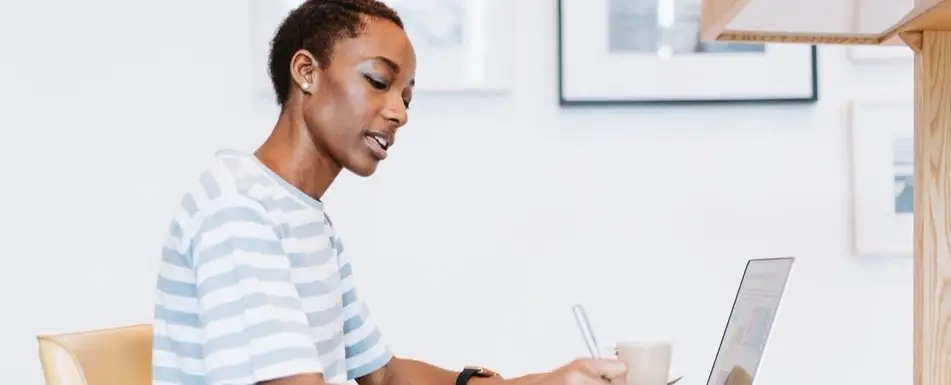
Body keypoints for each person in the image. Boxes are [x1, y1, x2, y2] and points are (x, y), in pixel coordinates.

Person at [151, 1, 629, 385]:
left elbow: (383, 373)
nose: (398, 112)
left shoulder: (302, 215)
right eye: (378, 82)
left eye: (406, 96)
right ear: (306, 72)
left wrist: (547, 383)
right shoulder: (239, 209)